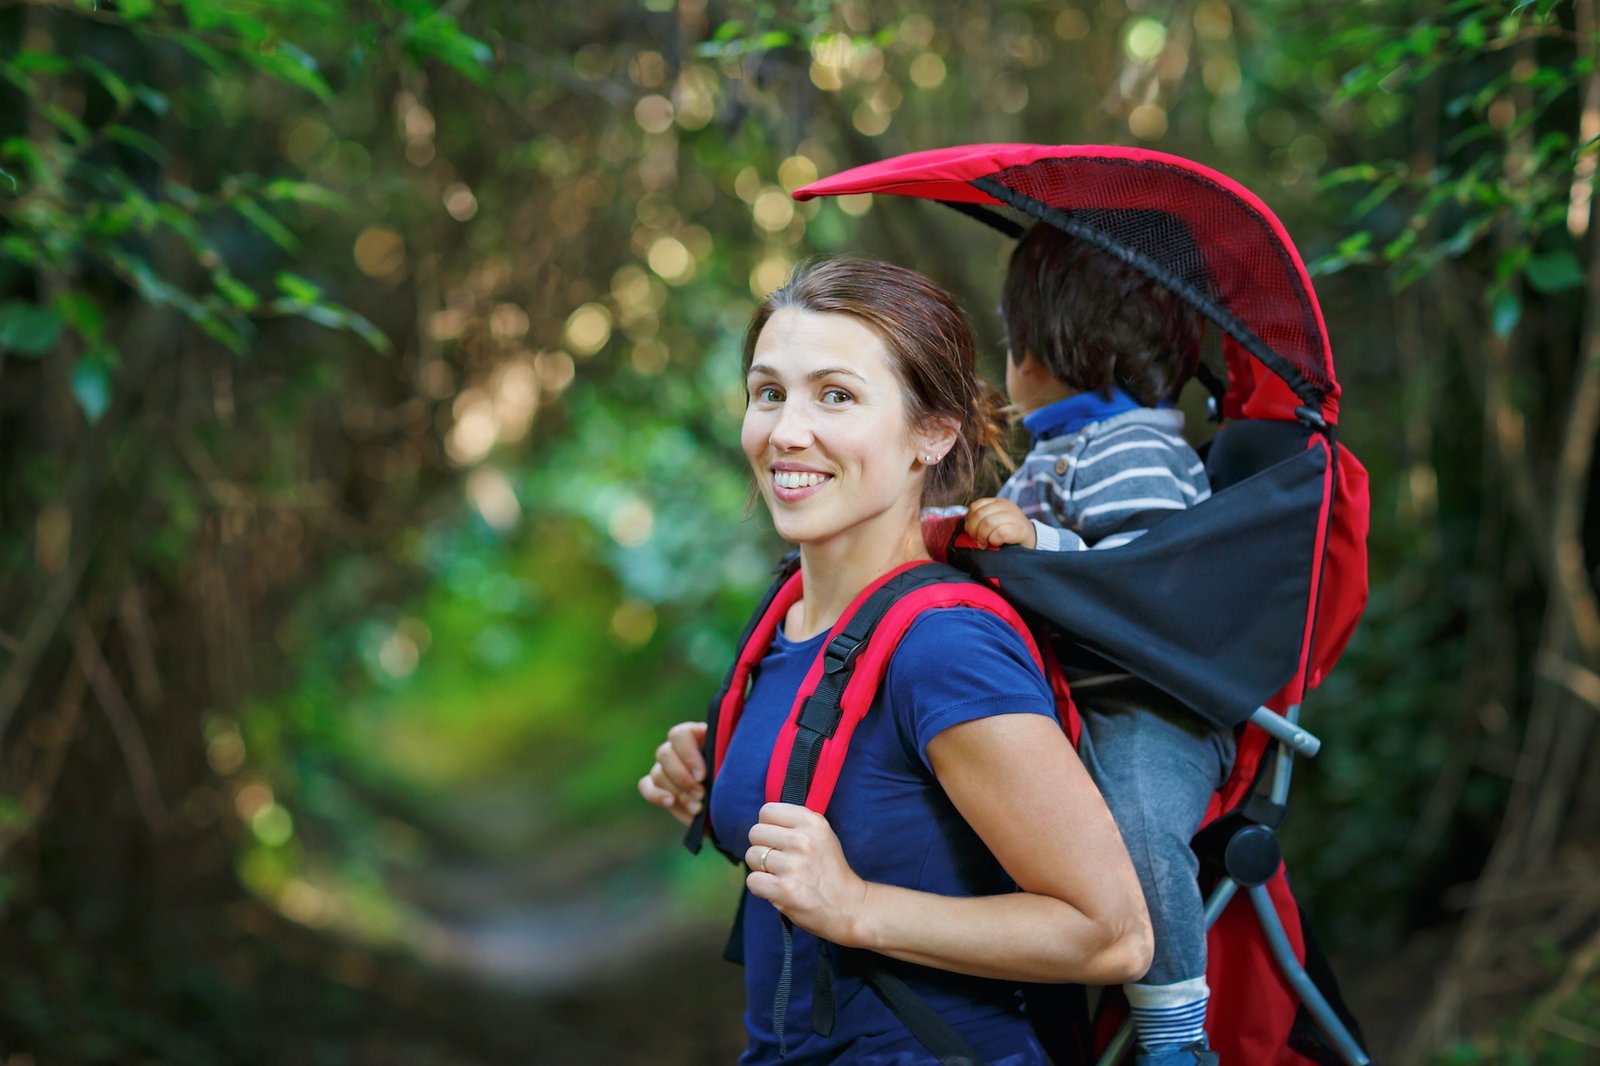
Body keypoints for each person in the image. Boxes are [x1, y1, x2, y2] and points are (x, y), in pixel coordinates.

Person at [640, 256, 1152, 1065]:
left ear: (933, 432)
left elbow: (1112, 934)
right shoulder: (794, 617)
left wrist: (857, 907)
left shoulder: (945, 649)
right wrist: (723, 772)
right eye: (768, 392)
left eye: (835, 395)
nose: (786, 430)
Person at [963, 223, 1235, 1066]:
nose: (1009, 369)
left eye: (1014, 345)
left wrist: (1038, 548)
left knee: (1137, 823)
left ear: (1055, 352)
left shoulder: (1138, 448)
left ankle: (1175, 1036)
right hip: (1082, 700)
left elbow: (1151, 584)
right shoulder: (1059, 450)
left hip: (1156, 707)